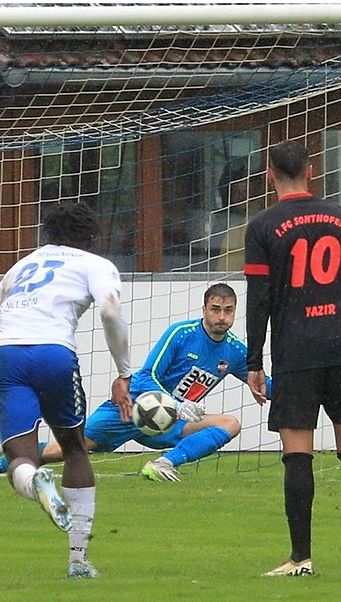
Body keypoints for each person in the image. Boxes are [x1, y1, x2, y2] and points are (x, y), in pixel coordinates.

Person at [244, 140, 341, 577]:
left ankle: (301, 558)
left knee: (297, 455)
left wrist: (254, 361)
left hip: (296, 356)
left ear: (270, 174)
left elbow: (259, 300)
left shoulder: (262, 226)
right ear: (312, 170)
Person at [2, 283, 266, 483]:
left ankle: (163, 463)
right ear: (204, 310)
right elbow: (144, 375)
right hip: (131, 408)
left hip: (169, 422)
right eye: (216, 310)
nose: (222, 317)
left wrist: (298, 394)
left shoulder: (235, 351)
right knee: (62, 450)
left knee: (230, 423)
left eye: (228, 311)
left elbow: (263, 384)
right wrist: (176, 403)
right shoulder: (181, 334)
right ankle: (5, 462)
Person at [0, 201, 132, 579]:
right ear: (91, 237)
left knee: (19, 458)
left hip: (7, 354)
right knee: (74, 447)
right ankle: (78, 560)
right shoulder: (94, 263)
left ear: (48, 235)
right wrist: (124, 372)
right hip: (53, 354)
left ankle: (34, 480)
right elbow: (109, 309)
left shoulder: (21, 265)